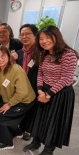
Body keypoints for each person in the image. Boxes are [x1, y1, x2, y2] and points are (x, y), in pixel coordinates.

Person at [23, 26, 79, 155]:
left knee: (53, 122)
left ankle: (48, 150)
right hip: (44, 91)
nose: (44, 41)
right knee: (39, 118)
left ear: (56, 37)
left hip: (61, 94)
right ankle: (35, 141)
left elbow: (65, 78)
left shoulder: (69, 54)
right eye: (41, 38)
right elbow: (40, 74)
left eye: (48, 37)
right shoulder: (43, 53)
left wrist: (48, 95)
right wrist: (40, 91)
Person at [0, 46, 35, 150]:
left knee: (0, 117)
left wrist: (8, 104)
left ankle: (7, 142)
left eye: (3, 56)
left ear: (8, 56)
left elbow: (22, 93)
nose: (0, 59)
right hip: (13, 101)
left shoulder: (17, 69)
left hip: (24, 101)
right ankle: (17, 132)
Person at [16, 24, 39, 141]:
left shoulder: (40, 53)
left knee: (33, 108)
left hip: (35, 86)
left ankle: (29, 130)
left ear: (35, 35)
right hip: (21, 86)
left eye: (27, 34)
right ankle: (21, 126)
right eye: (22, 34)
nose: (24, 37)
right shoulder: (19, 53)